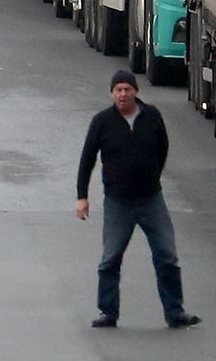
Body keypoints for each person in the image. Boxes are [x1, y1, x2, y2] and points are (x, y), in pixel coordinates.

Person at [76, 70, 201, 329]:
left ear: (135, 91)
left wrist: (152, 174)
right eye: (118, 90)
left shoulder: (152, 116)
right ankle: (108, 312)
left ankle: (175, 312)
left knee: (167, 255)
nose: (123, 94)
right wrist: (82, 197)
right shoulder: (102, 121)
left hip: (151, 200)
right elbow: (87, 159)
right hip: (117, 203)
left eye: (127, 89)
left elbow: (162, 147)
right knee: (110, 259)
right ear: (112, 93)